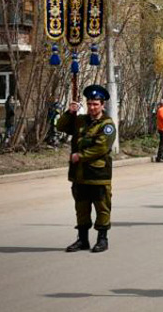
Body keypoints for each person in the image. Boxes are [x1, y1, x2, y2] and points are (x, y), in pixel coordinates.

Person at [57, 85, 115, 253]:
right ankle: (83, 240)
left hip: (98, 174)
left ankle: (102, 239)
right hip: (79, 175)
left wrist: (80, 156)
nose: (92, 107)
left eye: (96, 104)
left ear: (102, 105)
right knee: (81, 208)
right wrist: (70, 112)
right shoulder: (80, 120)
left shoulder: (107, 124)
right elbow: (60, 127)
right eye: (89, 104)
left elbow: (101, 147)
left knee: (102, 207)